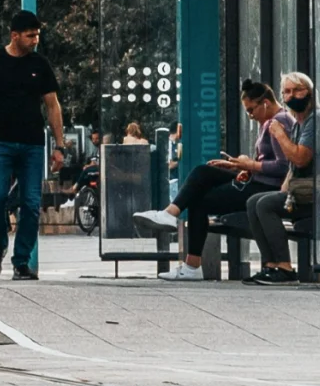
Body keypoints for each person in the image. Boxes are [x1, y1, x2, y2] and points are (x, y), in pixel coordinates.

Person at [132, 79, 297, 281]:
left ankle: (190, 261)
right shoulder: (269, 123)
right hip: (256, 180)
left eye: (251, 110)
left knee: (198, 199)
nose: (250, 116)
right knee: (204, 171)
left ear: (265, 103)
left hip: (265, 187)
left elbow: (284, 166)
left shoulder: (278, 122)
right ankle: (171, 215)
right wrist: (238, 165)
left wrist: (249, 165)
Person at [0, 10, 67, 281]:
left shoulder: (40, 64)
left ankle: (21, 261)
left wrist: (60, 145)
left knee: (32, 204)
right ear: (14, 35)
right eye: (30, 35)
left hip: (33, 145)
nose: (35, 40)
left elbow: (52, 105)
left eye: (37, 35)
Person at [242, 73, 315, 286]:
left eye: (298, 90)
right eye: (287, 91)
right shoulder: (300, 123)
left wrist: (280, 135)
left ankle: (285, 267)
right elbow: (292, 168)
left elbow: (300, 158)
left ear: (309, 92)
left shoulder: (314, 120)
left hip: (314, 191)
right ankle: (271, 265)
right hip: (303, 189)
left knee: (265, 203)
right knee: (254, 201)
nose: (292, 95)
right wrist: (285, 190)